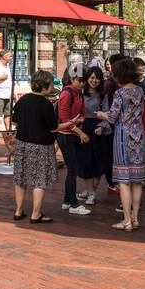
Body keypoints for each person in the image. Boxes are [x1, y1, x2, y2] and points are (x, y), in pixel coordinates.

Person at [97, 56, 145, 231]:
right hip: (139, 136)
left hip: (122, 136)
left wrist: (101, 115)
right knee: (137, 180)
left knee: (124, 180)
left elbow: (112, 116)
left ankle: (127, 220)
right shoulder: (140, 91)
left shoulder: (120, 93)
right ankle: (135, 218)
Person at [10, 69, 61, 222]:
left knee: (20, 178)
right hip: (41, 145)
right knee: (39, 180)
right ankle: (36, 214)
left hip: (22, 143)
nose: (52, 87)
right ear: (45, 86)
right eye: (51, 84)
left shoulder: (23, 100)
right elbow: (53, 128)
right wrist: (69, 124)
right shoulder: (46, 104)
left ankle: (18, 211)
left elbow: (15, 121)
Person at [76, 67, 112, 204]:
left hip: (98, 130)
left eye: (97, 78)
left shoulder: (103, 95)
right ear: (86, 79)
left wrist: (101, 127)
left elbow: (107, 113)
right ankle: (90, 192)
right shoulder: (80, 94)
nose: (94, 80)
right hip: (84, 129)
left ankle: (91, 192)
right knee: (86, 162)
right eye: (91, 77)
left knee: (97, 163)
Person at [56, 71, 89, 214]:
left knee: (72, 169)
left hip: (73, 134)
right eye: (80, 80)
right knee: (72, 170)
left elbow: (82, 114)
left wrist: (79, 123)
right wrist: (80, 131)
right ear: (72, 79)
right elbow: (64, 119)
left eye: (84, 80)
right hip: (66, 136)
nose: (82, 83)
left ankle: (67, 200)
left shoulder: (78, 93)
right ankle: (73, 205)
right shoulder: (66, 94)